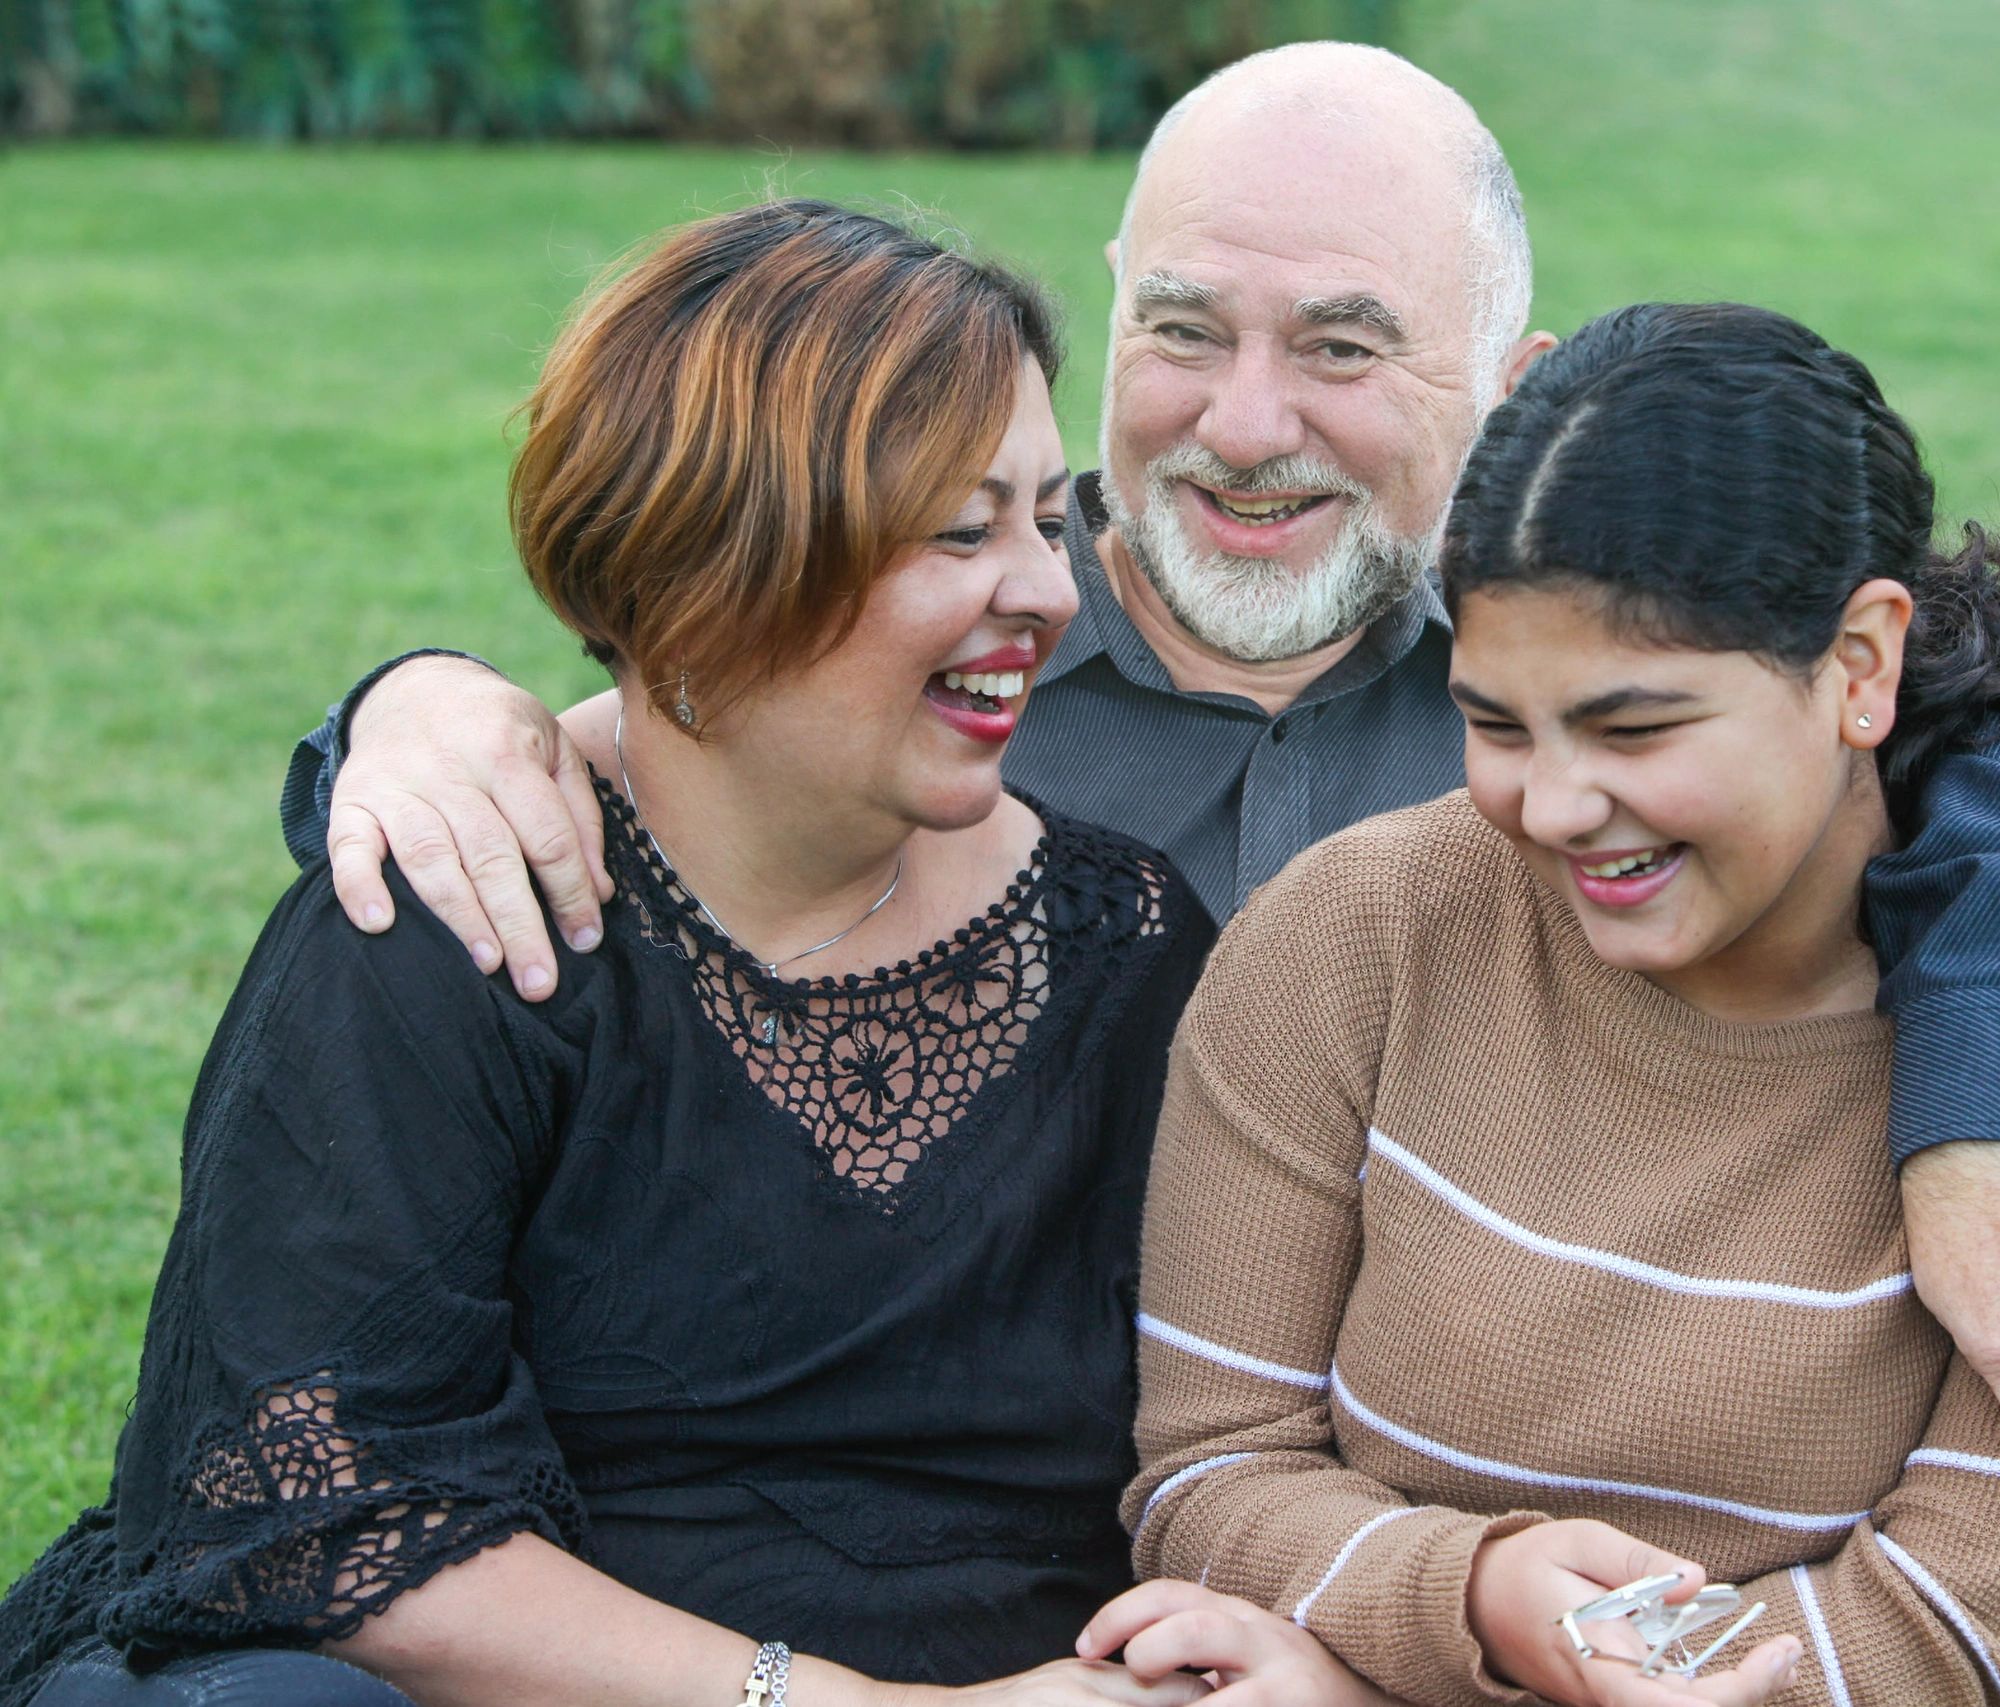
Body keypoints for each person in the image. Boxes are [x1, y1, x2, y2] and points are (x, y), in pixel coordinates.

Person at [273, 43, 2000, 1495]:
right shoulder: (949, 650)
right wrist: (415, 709)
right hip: (1024, 1483)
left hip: (1571, 1483)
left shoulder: (1575, 679)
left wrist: (1989, 1110)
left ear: (1519, 389)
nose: (1241, 423)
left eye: (1345, 348)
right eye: (1184, 329)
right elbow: (652, 745)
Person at [1092, 303, 2000, 1707]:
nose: (1553, 804)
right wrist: (1477, 1601)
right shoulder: (1357, 936)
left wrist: (1401, 1678)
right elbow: (1214, 1473)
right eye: (1494, 723)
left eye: (1636, 726)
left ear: (1860, 665)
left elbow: (1940, 1652)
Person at [0, 202, 1229, 1707]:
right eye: (962, 532)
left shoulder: (1123, 944)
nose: (1047, 591)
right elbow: (324, 1511)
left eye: (1045, 519)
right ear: (715, 567)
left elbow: (1243, 1435)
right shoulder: (458, 918)